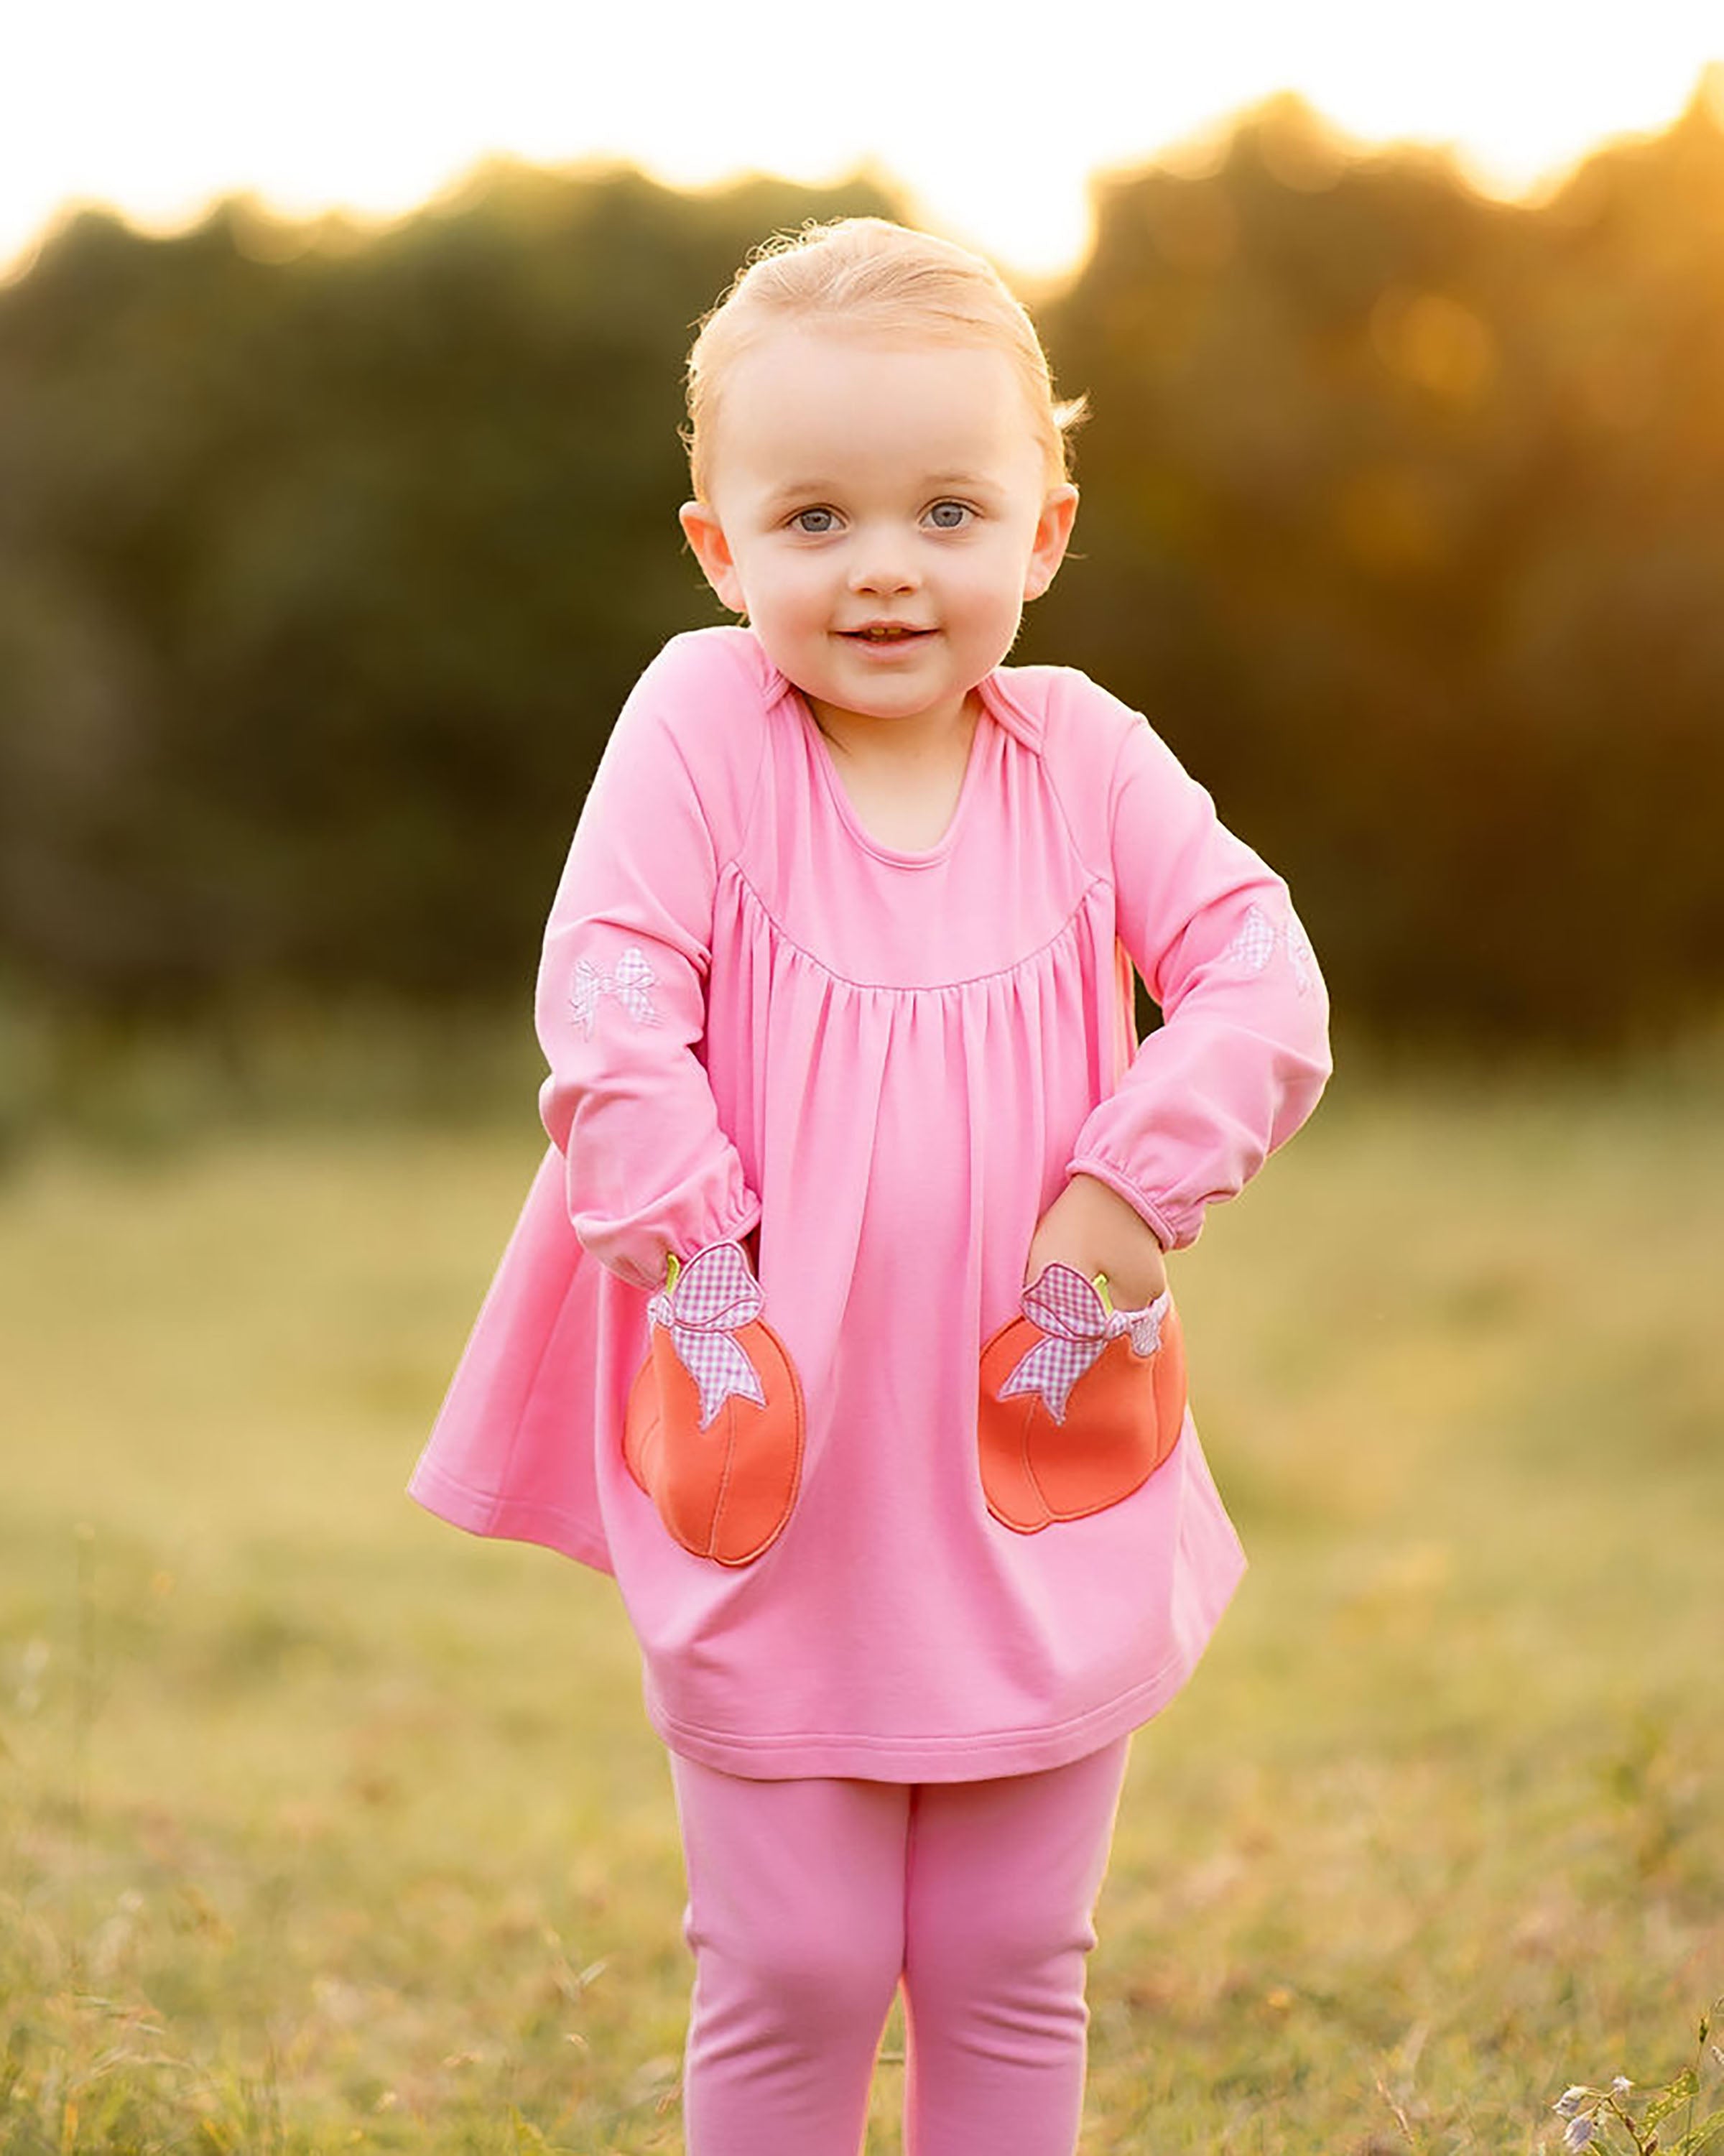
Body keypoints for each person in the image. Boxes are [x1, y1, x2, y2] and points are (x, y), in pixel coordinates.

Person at [410, 216, 1331, 2156]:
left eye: (946, 509)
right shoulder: (702, 729)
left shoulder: (1085, 760)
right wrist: (693, 1249)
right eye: (815, 519)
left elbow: (1263, 975)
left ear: (1044, 534)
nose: (887, 566)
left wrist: (1127, 1189)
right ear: (722, 548)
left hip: (1034, 1399)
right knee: (798, 1955)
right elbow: (609, 993)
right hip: (772, 1402)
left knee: (1011, 1946)